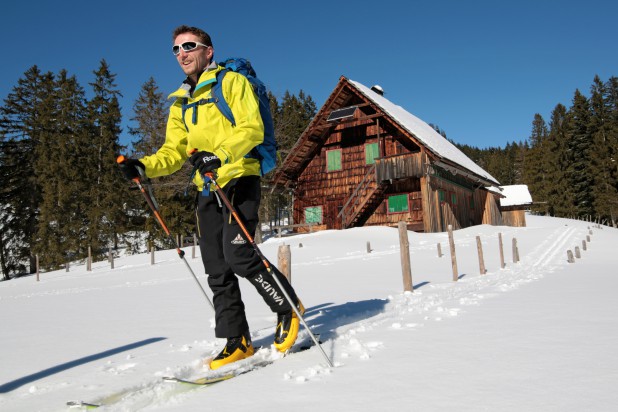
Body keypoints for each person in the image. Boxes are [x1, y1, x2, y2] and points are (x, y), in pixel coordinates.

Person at [119, 25, 303, 370]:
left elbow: (251, 129)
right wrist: (142, 166)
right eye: (175, 50)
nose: (182, 54)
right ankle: (237, 341)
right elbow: (172, 152)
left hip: (239, 176)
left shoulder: (232, 82)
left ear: (208, 51)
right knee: (216, 268)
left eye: (189, 46)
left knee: (239, 255)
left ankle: (287, 309)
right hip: (206, 185)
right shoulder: (180, 102)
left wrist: (218, 154)